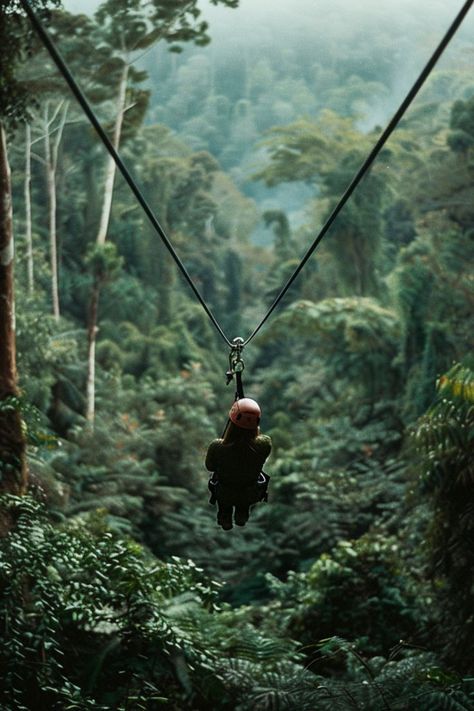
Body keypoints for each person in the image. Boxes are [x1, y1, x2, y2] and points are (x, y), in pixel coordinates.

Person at [205, 398, 272, 530]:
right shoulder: (264, 445)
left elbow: (210, 466)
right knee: (244, 500)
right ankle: (242, 514)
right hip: (250, 492)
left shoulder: (217, 446)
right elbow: (261, 438)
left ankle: (225, 516)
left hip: (225, 492)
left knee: (225, 499)